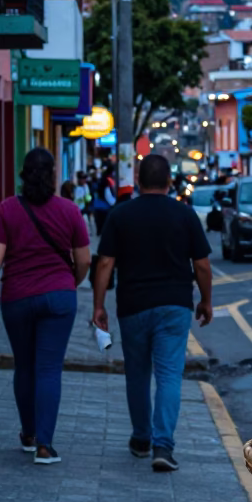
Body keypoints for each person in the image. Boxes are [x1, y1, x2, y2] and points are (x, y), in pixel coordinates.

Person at [92, 154, 213, 473]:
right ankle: (163, 445)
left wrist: (98, 306)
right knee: (170, 375)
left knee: (137, 374)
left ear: (140, 182)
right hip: (174, 306)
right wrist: (206, 301)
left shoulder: (121, 214)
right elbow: (201, 264)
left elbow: (104, 263)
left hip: (132, 306)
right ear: (169, 183)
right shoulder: (184, 214)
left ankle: (141, 439)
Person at [0, 148, 91, 464]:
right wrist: (70, 283)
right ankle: (45, 445)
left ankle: (28, 434)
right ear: (53, 175)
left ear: (23, 174)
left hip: (17, 298)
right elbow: (84, 260)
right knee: (49, 369)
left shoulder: (7, 210)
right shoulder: (69, 211)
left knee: (24, 367)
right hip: (59, 297)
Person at [92, 161, 116, 235]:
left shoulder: (104, 177)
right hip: (104, 206)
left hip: (99, 205)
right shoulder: (108, 179)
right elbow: (107, 193)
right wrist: (113, 203)